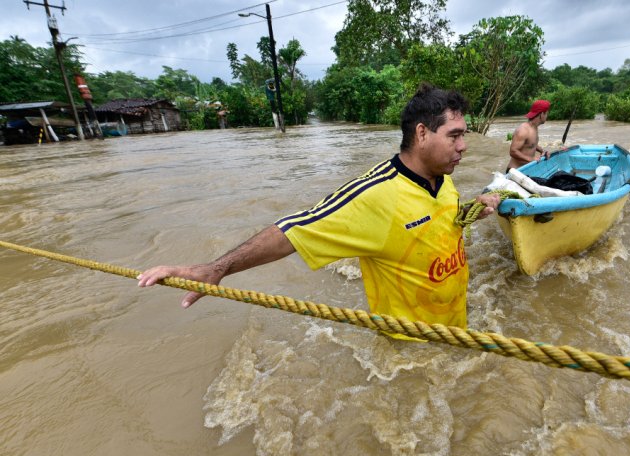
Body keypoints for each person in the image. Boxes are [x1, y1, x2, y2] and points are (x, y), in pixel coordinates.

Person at [137, 84, 501, 337]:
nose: (464, 145)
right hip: (412, 347)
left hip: (457, 328)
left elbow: (442, 223)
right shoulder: (372, 196)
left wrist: (472, 211)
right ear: (422, 133)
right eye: (454, 135)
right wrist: (214, 269)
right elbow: (291, 232)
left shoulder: (444, 179)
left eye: (463, 135)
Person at [506, 99, 551, 172]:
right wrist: (531, 159)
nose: (547, 116)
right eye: (546, 114)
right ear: (541, 114)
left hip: (526, 169)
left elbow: (531, 144)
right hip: (515, 171)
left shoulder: (534, 127)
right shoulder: (523, 130)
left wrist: (543, 151)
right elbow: (513, 151)